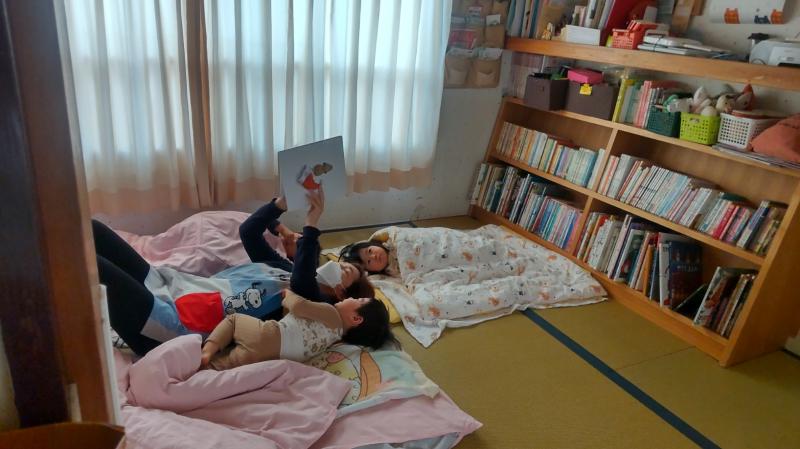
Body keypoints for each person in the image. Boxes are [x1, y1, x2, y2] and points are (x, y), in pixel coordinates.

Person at [94, 190, 372, 356]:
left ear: (340, 293)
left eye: (345, 270)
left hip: (169, 328)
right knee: (95, 231)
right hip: (172, 287)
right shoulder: (282, 269)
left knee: (91, 264)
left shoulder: (315, 308)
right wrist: (281, 203)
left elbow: (302, 282)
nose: (336, 264)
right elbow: (248, 232)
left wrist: (312, 224)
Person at [200, 289, 392, 370]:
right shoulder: (334, 339)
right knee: (225, 364)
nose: (351, 297)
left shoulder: (331, 313)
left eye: (358, 300)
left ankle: (207, 351)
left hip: (269, 335)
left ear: (356, 318)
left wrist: (289, 294)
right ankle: (208, 368)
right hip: (270, 357)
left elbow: (300, 306)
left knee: (233, 321)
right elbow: (297, 324)